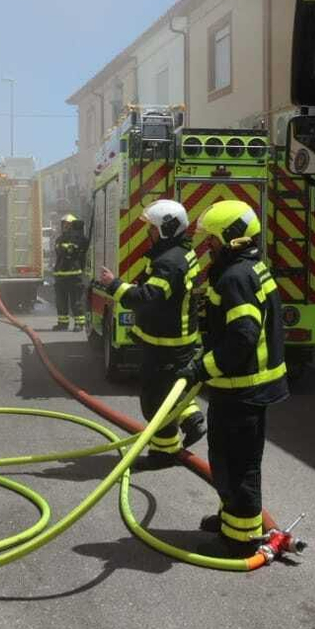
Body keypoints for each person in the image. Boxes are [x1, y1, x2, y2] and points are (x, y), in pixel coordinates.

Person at [178, 200, 288, 553]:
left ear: (232, 239)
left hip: (242, 391)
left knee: (237, 466)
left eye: (212, 240)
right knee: (226, 460)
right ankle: (232, 517)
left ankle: (240, 538)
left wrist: (201, 368)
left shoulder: (235, 277)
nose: (207, 247)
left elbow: (241, 337)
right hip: (243, 388)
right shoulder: (249, 267)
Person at [95, 199, 206, 468]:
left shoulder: (168, 262)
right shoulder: (181, 253)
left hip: (165, 343)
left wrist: (115, 286)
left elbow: (147, 298)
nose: (149, 233)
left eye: (152, 229)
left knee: (154, 401)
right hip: (175, 340)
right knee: (170, 390)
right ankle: (191, 420)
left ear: (166, 229)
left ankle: (165, 452)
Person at [51, 215, 88, 331]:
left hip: (74, 276)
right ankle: (63, 323)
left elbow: (72, 252)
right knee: (61, 302)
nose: (65, 227)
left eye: (67, 224)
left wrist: (68, 248)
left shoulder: (80, 239)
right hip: (60, 277)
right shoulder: (60, 239)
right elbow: (62, 251)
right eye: (63, 224)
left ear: (72, 225)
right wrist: (67, 248)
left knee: (76, 302)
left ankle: (79, 324)